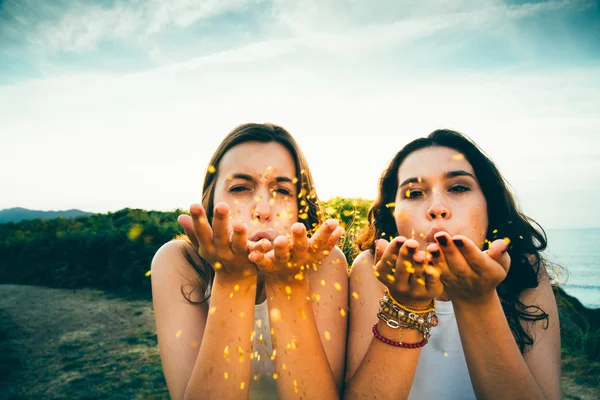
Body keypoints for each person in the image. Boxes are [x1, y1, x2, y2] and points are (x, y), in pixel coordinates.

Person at [344, 129, 561, 399]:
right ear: (394, 214)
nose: (437, 208)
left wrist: (477, 300)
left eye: (458, 187)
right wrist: (406, 304)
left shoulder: (524, 268)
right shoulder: (373, 268)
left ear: (488, 203)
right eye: (413, 193)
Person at [151, 123, 348, 400]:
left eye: (282, 191)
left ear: (299, 208)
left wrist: (286, 282)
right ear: (211, 198)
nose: (263, 210)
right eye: (241, 187)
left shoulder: (325, 264)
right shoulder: (179, 262)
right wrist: (234, 278)